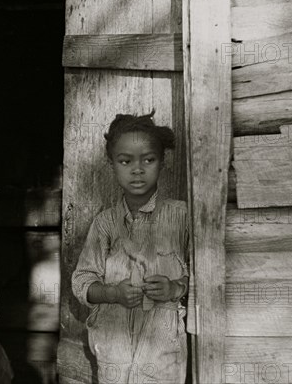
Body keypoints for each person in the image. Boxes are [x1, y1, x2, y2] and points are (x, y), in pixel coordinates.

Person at [72, 110, 191, 384]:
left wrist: (175, 288)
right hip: (114, 350)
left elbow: (205, 274)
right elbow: (81, 281)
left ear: (163, 162)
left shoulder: (182, 217)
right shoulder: (105, 224)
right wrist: (112, 293)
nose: (137, 170)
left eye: (148, 160)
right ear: (111, 164)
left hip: (163, 349)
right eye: (125, 161)